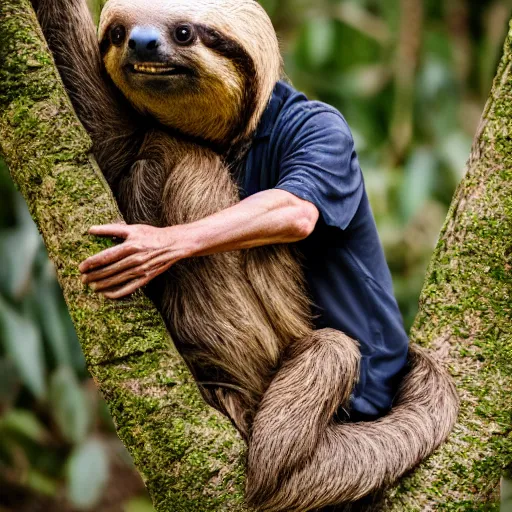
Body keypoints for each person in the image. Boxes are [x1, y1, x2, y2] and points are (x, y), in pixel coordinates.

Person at [79, 80, 409, 420]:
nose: (144, 47)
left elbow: (297, 215)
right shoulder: (193, 134)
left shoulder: (315, 126)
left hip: (357, 391)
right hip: (265, 371)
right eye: (123, 39)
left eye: (183, 37)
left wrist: (171, 242)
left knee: (331, 354)